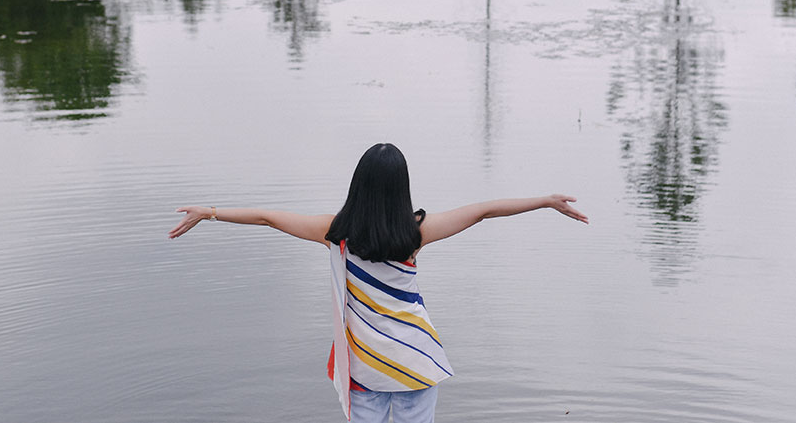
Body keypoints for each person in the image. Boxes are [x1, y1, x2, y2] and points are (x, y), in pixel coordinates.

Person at [168, 141, 588, 423]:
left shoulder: (334, 232)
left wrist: (211, 211)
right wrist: (545, 201)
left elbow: (268, 217)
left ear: (359, 186)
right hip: (416, 363)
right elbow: (483, 211)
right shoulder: (415, 232)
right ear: (401, 188)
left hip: (364, 367)